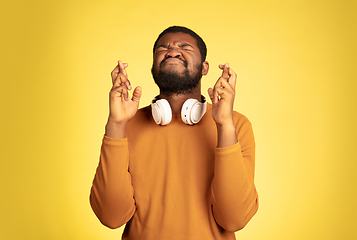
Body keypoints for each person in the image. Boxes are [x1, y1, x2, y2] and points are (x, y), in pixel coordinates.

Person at [90, 26, 259, 240]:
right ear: (153, 66)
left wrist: (224, 125)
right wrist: (115, 124)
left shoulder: (236, 125)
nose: (171, 51)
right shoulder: (126, 126)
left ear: (204, 68)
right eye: (163, 48)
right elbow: (110, 216)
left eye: (184, 47)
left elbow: (234, 218)